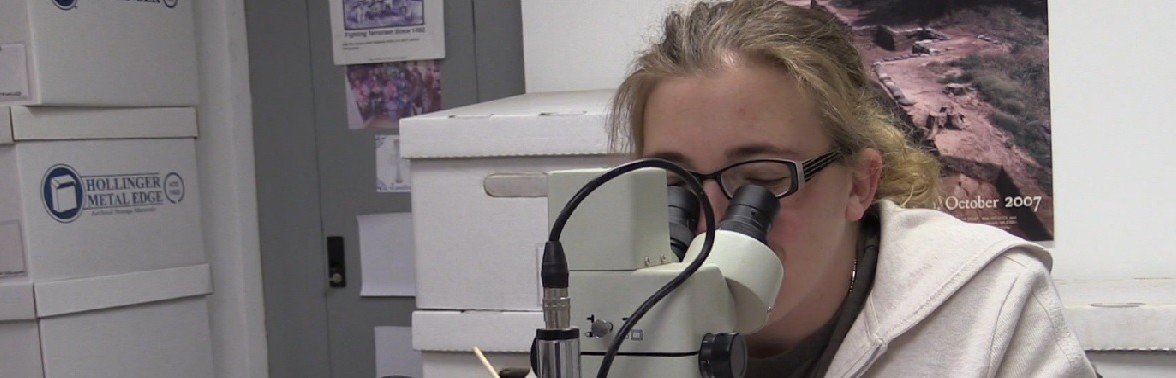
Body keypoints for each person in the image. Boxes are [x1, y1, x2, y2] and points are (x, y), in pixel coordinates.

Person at [608, 0, 1097, 376]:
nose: (706, 225)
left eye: (760, 181)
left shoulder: (991, 304)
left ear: (860, 185)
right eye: (674, 185)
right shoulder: (606, 308)